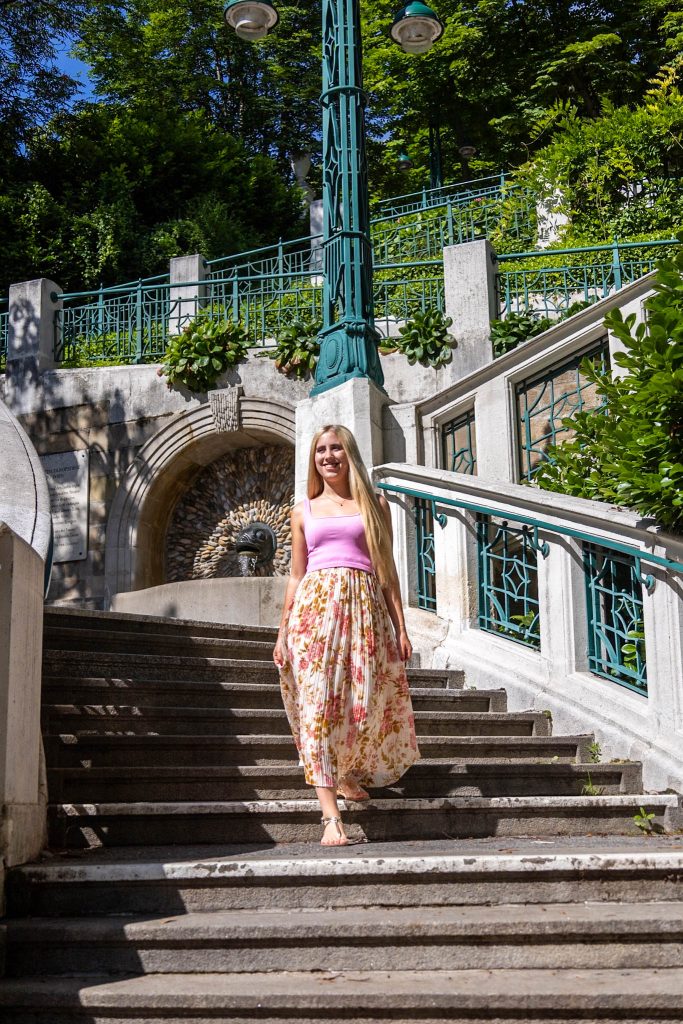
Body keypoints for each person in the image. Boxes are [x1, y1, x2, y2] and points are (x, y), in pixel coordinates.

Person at [273, 424, 419, 846]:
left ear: (350, 454)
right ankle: (331, 818)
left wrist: (400, 627)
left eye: (336, 448)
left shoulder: (375, 504)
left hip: (364, 613)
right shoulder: (303, 510)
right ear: (313, 458)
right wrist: (283, 633)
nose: (328, 456)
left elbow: (386, 570)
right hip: (314, 615)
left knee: (361, 702)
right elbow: (296, 575)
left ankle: (348, 772)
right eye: (321, 450)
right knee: (318, 705)